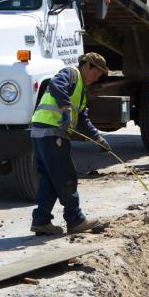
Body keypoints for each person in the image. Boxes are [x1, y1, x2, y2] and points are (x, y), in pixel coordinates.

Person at [29, 52, 111, 235]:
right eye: (97, 73)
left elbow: (82, 119)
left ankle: (41, 221)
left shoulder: (80, 91)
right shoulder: (70, 73)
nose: (97, 78)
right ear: (87, 66)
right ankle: (75, 220)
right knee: (66, 178)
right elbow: (56, 85)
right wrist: (65, 108)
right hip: (52, 133)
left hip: (41, 134)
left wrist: (98, 138)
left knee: (49, 180)